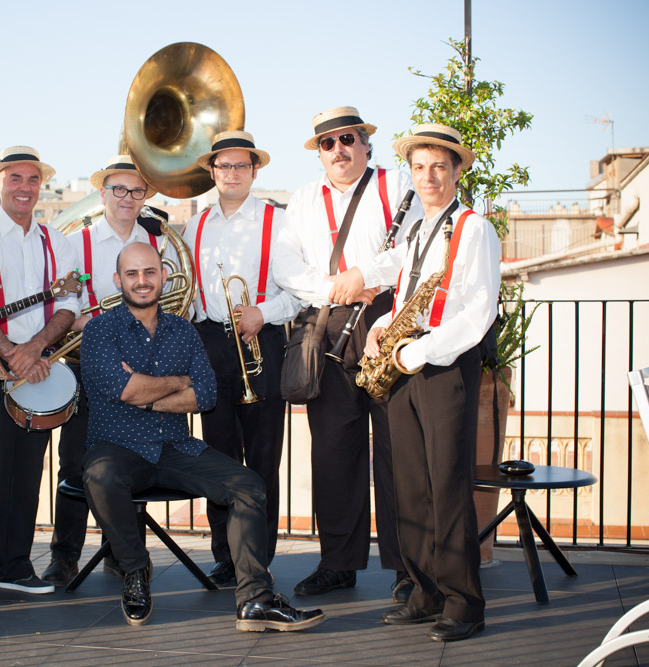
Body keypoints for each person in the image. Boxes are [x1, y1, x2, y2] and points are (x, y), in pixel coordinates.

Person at [80, 242, 325, 631]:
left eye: (149, 272)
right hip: (118, 446)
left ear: (163, 276)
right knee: (99, 476)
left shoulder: (184, 330)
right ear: (118, 280)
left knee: (248, 485)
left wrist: (145, 396)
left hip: (175, 447)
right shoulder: (99, 330)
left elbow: (206, 395)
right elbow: (121, 389)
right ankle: (135, 569)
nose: (142, 281)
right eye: (132, 274)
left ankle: (255, 601)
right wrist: (177, 383)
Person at [274, 106, 421, 601]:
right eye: (327, 143)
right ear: (319, 153)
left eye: (347, 139)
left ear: (365, 143)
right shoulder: (301, 200)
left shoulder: (397, 182)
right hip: (330, 320)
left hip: (387, 320)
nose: (338, 149)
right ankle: (339, 563)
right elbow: (285, 267)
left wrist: (367, 275)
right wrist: (335, 286)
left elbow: (416, 245)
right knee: (334, 452)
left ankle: (409, 567)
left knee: (399, 450)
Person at [363, 123, 499, 642]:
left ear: (457, 170)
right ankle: (425, 592)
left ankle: (465, 602)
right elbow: (405, 299)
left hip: (444, 367)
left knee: (447, 486)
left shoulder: (474, 228)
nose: (429, 177)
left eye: (439, 166)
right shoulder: (419, 230)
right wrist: (381, 328)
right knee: (411, 487)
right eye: (419, 167)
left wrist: (420, 350)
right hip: (406, 364)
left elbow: (479, 311)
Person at [43, 155, 177, 587]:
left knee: (133, 458)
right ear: (102, 194)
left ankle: (126, 555)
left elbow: (175, 302)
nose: (127, 198)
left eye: (136, 191)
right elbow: (63, 308)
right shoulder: (74, 243)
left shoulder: (161, 243)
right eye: (118, 189)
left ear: (144, 197)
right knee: (74, 461)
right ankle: (64, 555)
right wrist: (107, 324)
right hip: (87, 365)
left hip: (142, 371)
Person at [181, 131, 299, 586]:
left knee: (263, 454)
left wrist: (262, 312)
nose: (232, 174)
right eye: (224, 166)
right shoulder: (196, 225)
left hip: (262, 341)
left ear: (255, 170)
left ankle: (258, 558)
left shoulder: (279, 221)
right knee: (217, 454)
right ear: (212, 172)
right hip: (210, 342)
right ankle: (225, 555)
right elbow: (191, 296)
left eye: (241, 166)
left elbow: (296, 295)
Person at [0, 146, 80, 602]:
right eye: (15, 178)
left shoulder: (58, 240)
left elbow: (70, 301)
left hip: (38, 368)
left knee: (28, 472)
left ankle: (17, 565)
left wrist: (32, 350)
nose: (25, 188)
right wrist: (10, 351)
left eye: (32, 180)